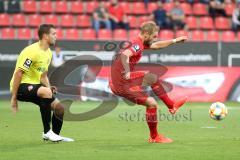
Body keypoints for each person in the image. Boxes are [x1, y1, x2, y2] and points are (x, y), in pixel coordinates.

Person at [109, 21, 188, 143]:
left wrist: (175, 40)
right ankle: (154, 137)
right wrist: (127, 71)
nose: (155, 38)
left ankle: (171, 106)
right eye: (154, 36)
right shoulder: (137, 44)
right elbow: (125, 55)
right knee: (152, 103)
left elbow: (156, 46)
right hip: (120, 82)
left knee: (151, 78)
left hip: (119, 80)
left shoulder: (140, 42)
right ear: (146, 33)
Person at [10, 24, 74, 142]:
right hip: (20, 86)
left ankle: (54, 135)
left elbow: (43, 76)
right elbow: (19, 73)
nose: (56, 36)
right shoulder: (32, 51)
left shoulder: (48, 53)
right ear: (45, 36)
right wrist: (14, 97)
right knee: (45, 91)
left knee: (60, 108)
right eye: (53, 34)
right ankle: (47, 132)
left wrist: (49, 88)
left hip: (36, 86)